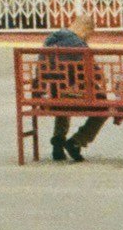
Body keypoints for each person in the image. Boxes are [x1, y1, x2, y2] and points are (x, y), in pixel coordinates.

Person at [40, 15, 105, 162]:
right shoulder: (79, 45)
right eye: (89, 34)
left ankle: (58, 140)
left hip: (49, 95)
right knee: (103, 105)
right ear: (86, 28)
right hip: (66, 95)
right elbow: (95, 73)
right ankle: (77, 141)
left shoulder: (49, 40)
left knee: (62, 94)